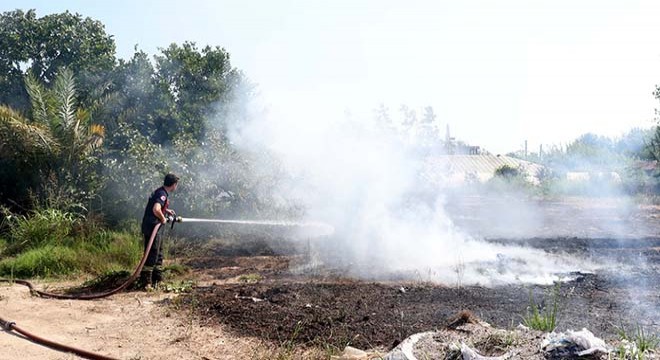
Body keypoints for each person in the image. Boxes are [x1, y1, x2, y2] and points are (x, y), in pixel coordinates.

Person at [140, 173, 179, 288]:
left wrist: (166, 211)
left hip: (154, 227)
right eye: (176, 184)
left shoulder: (161, 192)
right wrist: (163, 219)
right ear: (173, 184)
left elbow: (159, 207)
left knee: (159, 253)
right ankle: (146, 282)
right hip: (152, 227)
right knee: (152, 253)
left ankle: (158, 280)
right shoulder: (162, 194)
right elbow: (156, 209)